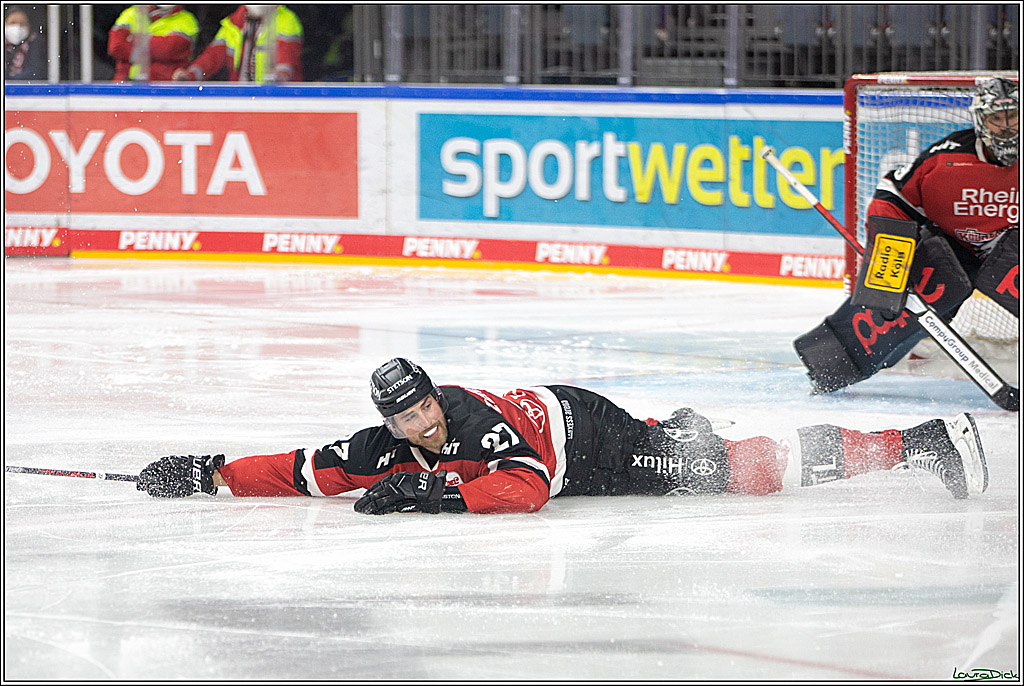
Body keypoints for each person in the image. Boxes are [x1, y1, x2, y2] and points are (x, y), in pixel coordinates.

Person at [135, 357, 990, 513]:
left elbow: (526, 490)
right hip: (563, 438)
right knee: (711, 455)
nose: (422, 421)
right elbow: (301, 469)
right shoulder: (383, 445)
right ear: (390, 420)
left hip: (589, 440)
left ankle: (918, 441)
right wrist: (208, 473)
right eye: (407, 417)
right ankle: (680, 429)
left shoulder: (471, 422)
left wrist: (432, 491)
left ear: (435, 395)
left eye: (427, 405)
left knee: (732, 473)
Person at [795, 76, 1019, 394]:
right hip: (955, 249)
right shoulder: (946, 159)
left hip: (1012, 247)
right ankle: (833, 364)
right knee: (907, 301)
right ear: (981, 122)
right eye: (997, 119)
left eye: (1014, 116)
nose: (1007, 127)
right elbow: (892, 196)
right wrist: (888, 264)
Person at [172, 4, 303, 83]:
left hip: (276, 97)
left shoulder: (286, 20)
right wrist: (189, 76)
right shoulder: (233, 23)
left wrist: (280, 76)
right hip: (241, 96)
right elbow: (211, 58)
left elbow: (287, 59)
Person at [107, 4, 199, 82]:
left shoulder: (186, 20)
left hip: (164, 87)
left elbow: (168, 50)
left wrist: (137, 41)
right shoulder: (131, 13)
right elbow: (115, 47)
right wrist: (155, 46)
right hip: (125, 85)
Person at [4, 7, 45, 80]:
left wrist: (11, 79)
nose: (17, 27)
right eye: (13, 23)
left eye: (22, 23)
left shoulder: (38, 44)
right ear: (5, 24)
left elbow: (36, 73)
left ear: (28, 26)